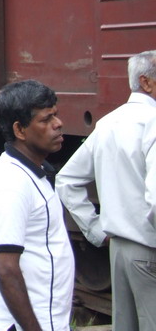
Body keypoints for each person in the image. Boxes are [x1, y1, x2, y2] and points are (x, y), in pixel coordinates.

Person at [56, 50, 156, 330]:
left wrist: (96, 229)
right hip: (149, 249)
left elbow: (67, 180)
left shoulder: (109, 123)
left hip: (119, 250)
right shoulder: (153, 123)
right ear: (146, 82)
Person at [0, 80, 74, 331]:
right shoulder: (11, 184)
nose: (58, 124)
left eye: (55, 115)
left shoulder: (34, 172)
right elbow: (6, 268)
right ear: (20, 130)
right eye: (46, 120)